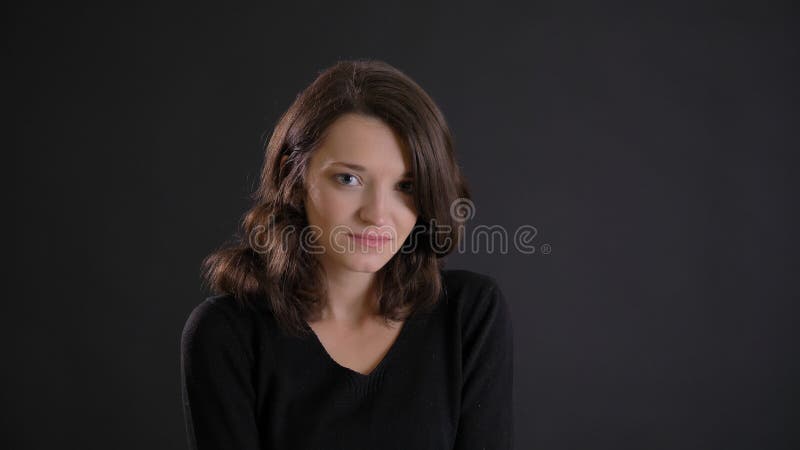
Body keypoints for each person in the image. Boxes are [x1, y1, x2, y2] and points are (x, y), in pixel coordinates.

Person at [180, 59, 514, 449]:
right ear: (295, 176)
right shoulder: (227, 335)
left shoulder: (467, 315)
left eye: (406, 186)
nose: (376, 214)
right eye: (349, 179)